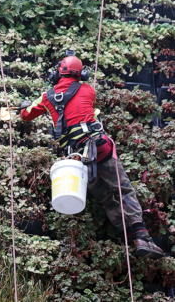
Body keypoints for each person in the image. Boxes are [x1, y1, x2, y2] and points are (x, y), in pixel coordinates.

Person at [20, 52, 164, 259]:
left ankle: (129, 237)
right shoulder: (88, 90)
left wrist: (26, 107)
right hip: (100, 148)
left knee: (106, 199)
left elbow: (26, 115)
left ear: (57, 74)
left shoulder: (46, 97)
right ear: (82, 75)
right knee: (123, 191)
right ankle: (141, 237)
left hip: (76, 160)